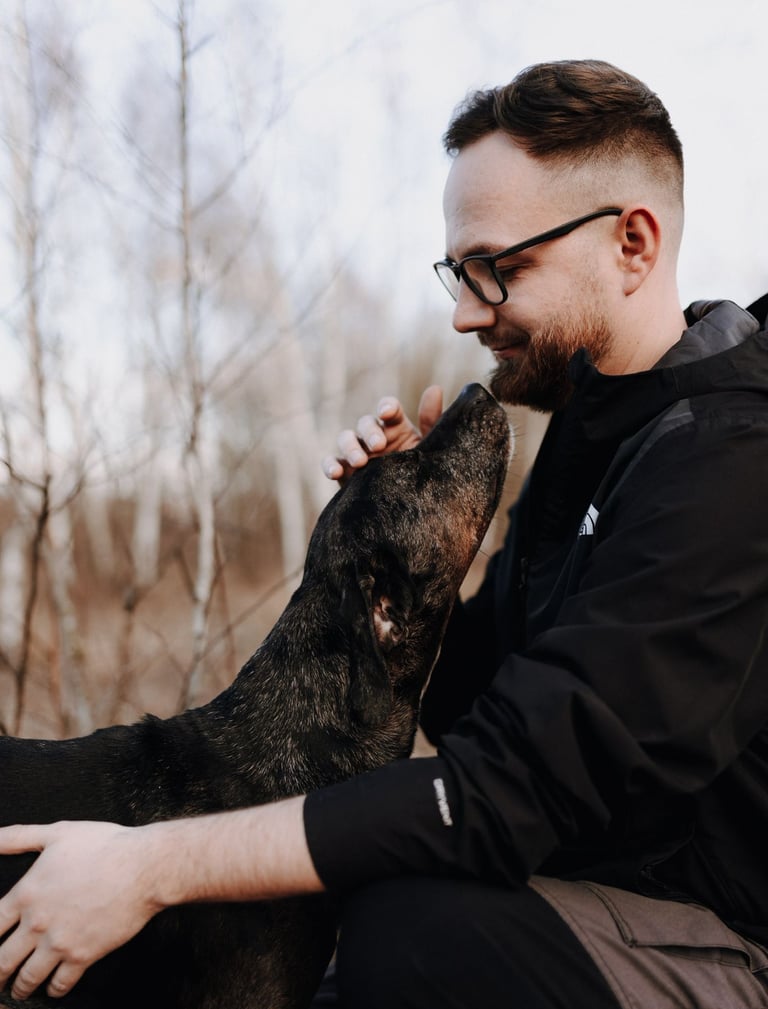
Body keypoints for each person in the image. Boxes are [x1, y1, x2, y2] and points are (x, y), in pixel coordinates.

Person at [0, 58, 767, 1009]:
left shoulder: (731, 461)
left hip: (713, 937)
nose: (465, 312)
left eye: (500, 268)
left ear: (634, 244)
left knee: (405, 931)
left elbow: (498, 794)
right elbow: (471, 703)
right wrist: (400, 552)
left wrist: (150, 865)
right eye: (459, 270)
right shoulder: (589, 423)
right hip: (566, 889)